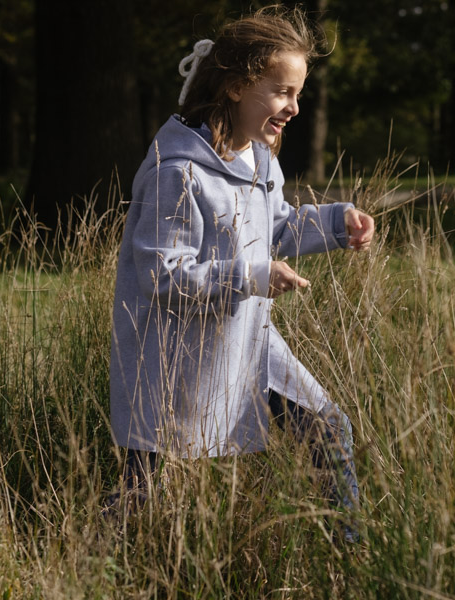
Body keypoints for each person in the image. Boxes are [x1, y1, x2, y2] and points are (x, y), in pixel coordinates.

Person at [106, 6, 375, 542]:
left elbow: (273, 232)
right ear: (234, 86)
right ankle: (87, 563)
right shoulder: (177, 173)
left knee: (327, 427)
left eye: (297, 93)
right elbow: (163, 275)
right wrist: (250, 276)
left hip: (250, 341)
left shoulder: (260, 160)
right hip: (175, 357)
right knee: (146, 487)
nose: (294, 107)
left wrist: (336, 223)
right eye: (282, 92)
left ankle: (353, 552)